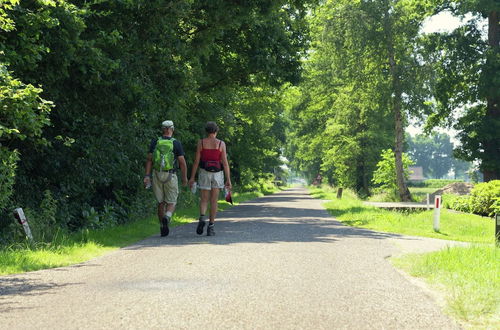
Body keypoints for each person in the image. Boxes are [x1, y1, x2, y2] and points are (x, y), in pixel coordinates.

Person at [144, 120, 188, 237]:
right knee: (172, 201)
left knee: (160, 202)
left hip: (157, 174)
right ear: (172, 129)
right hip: (170, 175)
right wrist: (184, 179)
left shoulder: (155, 142)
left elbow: (149, 160)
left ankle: (162, 226)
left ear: (163, 129)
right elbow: (182, 163)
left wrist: (147, 176)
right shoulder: (176, 143)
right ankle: (167, 217)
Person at [189, 121, 231, 236]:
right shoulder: (221, 144)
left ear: (206, 131)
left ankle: (202, 218)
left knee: (204, 199)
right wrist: (228, 179)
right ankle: (211, 227)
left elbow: (196, 161)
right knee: (214, 201)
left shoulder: (201, 143)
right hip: (217, 174)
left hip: (204, 172)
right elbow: (225, 163)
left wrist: (192, 177)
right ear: (216, 131)